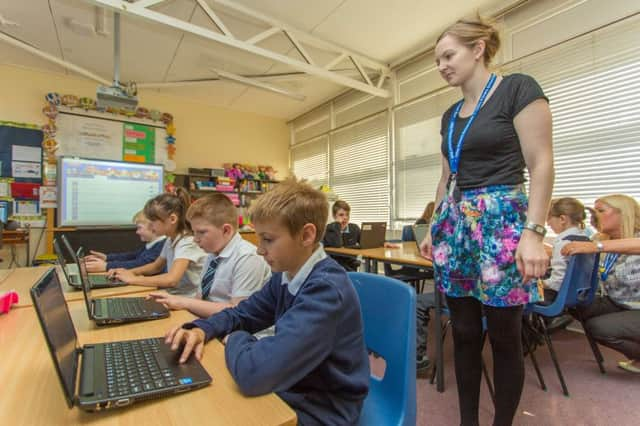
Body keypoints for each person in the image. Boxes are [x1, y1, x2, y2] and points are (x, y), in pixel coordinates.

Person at [420, 16, 553, 425]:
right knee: (462, 331)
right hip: (457, 224)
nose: (441, 65)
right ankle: (468, 421)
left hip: (502, 223)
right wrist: (432, 226)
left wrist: (532, 233)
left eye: (449, 55)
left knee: (504, 335)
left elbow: (541, 163)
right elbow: (447, 178)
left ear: (478, 49)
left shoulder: (517, 88)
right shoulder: (449, 116)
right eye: (437, 59)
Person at [164, 178, 370, 424]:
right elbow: (244, 313)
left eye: (268, 239)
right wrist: (202, 329)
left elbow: (255, 373)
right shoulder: (286, 275)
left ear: (306, 235)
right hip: (294, 384)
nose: (260, 250)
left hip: (323, 408)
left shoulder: (325, 291)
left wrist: (235, 337)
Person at [146, 193, 271, 318]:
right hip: (211, 322)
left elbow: (238, 311)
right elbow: (200, 298)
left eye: (201, 232)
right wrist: (174, 302)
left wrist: (182, 302)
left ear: (226, 230)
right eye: (194, 232)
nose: (195, 239)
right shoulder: (213, 253)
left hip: (236, 331)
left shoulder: (247, 258)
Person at [561, 194, 640, 374]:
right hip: (620, 302)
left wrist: (596, 247)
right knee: (574, 304)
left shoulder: (609, 243)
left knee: (599, 328)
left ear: (623, 214)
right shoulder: (602, 239)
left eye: (601, 210)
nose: (594, 215)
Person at [110, 188, 207, 297]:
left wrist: (133, 279)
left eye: (153, 221)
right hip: (174, 294)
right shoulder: (170, 239)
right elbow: (156, 266)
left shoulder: (187, 242)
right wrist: (131, 272)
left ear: (172, 219)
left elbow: (172, 280)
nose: (150, 226)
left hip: (188, 299)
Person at [84, 210, 166, 272]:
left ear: (153, 227)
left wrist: (107, 266)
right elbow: (132, 256)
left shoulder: (161, 245)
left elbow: (140, 264)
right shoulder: (151, 244)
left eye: (139, 228)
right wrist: (107, 258)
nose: (137, 232)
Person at [323, 199, 361, 271]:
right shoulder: (330, 228)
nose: (345, 218)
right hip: (335, 266)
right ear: (334, 216)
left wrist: (383, 243)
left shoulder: (354, 228)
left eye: (347, 214)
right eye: (341, 215)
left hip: (351, 264)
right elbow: (337, 244)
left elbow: (365, 242)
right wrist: (338, 225)